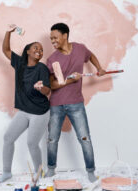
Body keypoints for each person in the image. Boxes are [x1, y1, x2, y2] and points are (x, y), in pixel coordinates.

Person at [45, 23, 106, 182]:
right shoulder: (52, 59)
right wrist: (69, 80)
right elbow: (51, 84)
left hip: (76, 103)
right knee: (52, 139)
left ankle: (91, 172)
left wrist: (99, 68)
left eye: (55, 37)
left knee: (84, 137)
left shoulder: (80, 49)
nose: (53, 41)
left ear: (65, 35)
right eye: (51, 38)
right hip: (56, 104)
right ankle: (51, 169)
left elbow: (90, 55)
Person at [0, 25, 51, 182]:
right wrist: (8, 31)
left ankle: (39, 171)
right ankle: (7, 173)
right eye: (36, 48)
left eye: (42, 50)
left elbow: (47, 91)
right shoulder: (20, 64)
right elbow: (6, 50)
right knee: (8, 138)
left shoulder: (42, 68)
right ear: (28, 51)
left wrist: (41, 88)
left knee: (32, 143)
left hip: (40, 112)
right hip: (24, 110)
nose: (40, 51)